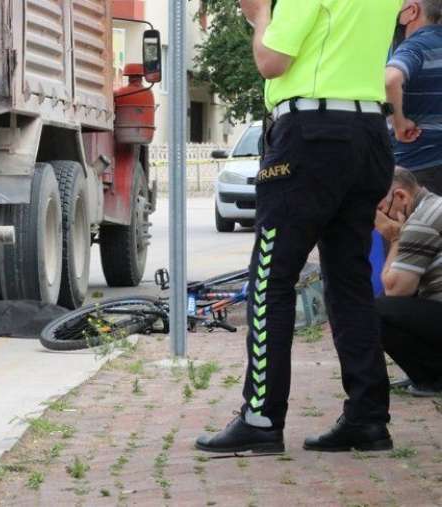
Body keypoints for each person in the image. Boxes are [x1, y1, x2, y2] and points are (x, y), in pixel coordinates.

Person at [195, 0, 401, 454]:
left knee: (272, 277)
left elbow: (272, 61)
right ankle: (367, 418)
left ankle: (261, 417)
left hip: (310, 134)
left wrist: (258, 18)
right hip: (368, 132)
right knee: (349, 282)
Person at [375, 168, 442, 396]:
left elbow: (395, 290)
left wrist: (395, 238)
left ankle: (432, 378)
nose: (383, 218)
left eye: (382, 209)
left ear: (401, 196)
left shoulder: (420, 221)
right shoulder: (434, 206)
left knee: (375, 311)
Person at [386, 0, 442, 195]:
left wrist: (398, 122)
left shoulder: (416, 47)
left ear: (412, 12)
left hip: (417, 167)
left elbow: (390, 80)